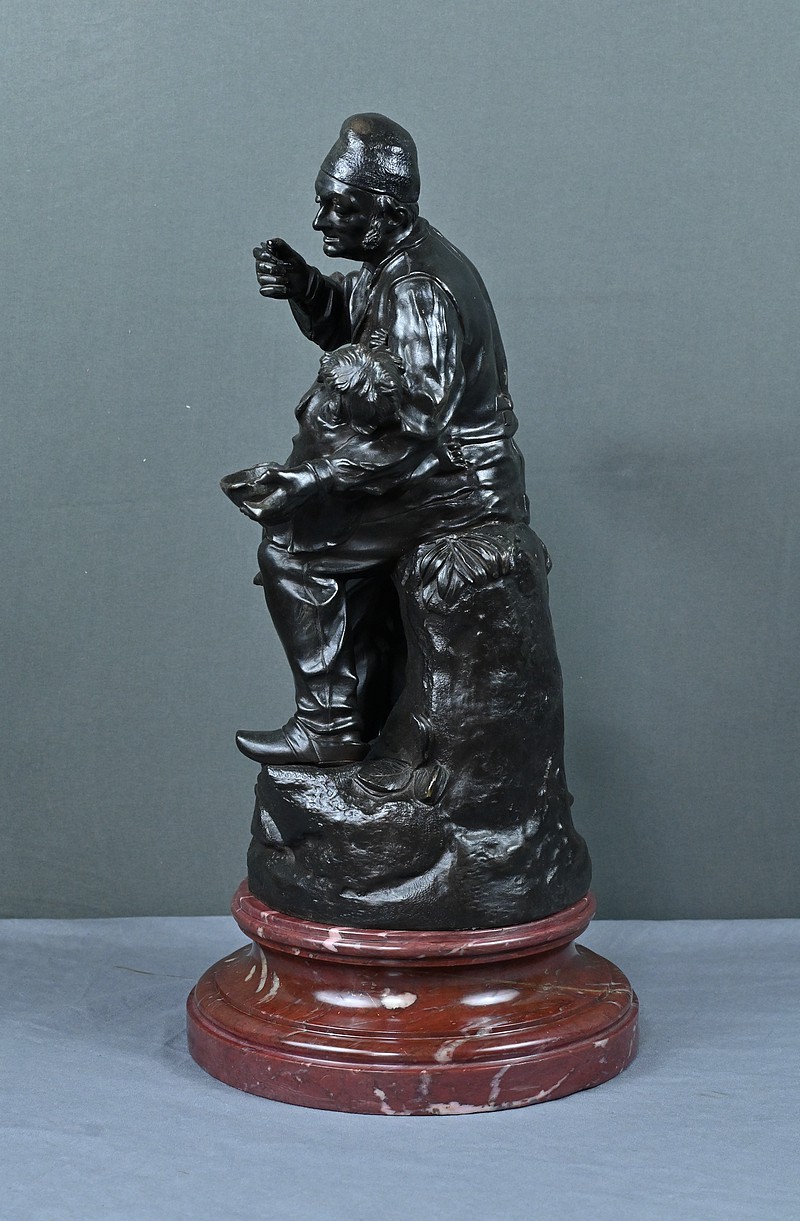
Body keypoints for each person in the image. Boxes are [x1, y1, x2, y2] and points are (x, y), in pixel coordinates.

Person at [234, 113, 530, 765]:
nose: (320, 220)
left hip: (454, 485)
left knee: (293, 550)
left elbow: (419, 431)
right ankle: (362, 711)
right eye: (323, 201)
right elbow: (360, 325)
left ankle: (328, 725)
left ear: (385, 210)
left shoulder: (420, 288)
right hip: (430, 472)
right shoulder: (390, 260)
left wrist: (314, 479)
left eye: (339, 207)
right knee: (320, 538)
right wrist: (308, 288)